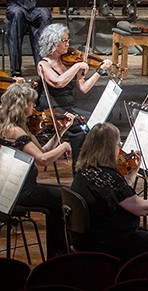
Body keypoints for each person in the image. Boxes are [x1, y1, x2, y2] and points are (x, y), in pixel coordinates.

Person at [69, 122, 148, 260]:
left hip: (87, 239)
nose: (120, 149)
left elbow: (119, 195)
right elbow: (143, 209)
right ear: (109, 148)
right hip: (108, 242)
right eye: (118, 145)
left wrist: (132, 173)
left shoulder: (86, 171)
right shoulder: (109, 176)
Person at [0, 82, 72, 257]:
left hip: (16, 187)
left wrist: (59, 134)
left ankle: (58, 253)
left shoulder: (16, 128)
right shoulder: (15, 131)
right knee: (68, 197)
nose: (34, 106)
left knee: (58, 204)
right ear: (22, 105)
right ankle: (60, 253)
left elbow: (43, 152)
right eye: (31, 103)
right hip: (21, 191)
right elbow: (42, 160)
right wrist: (64, 147)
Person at [36, 22, 112, 160]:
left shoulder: (68, 62)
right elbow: (58, 82)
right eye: (64, 41)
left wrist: (100, 71)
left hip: (69, 108)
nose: (67, 44)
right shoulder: (43, 64)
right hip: (52, 110)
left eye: (67, 40)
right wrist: (77, 66)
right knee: (81, 131)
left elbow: (83, 88)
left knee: (96, 123)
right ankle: (78, 168)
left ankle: (92, 163)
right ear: (53, 43)